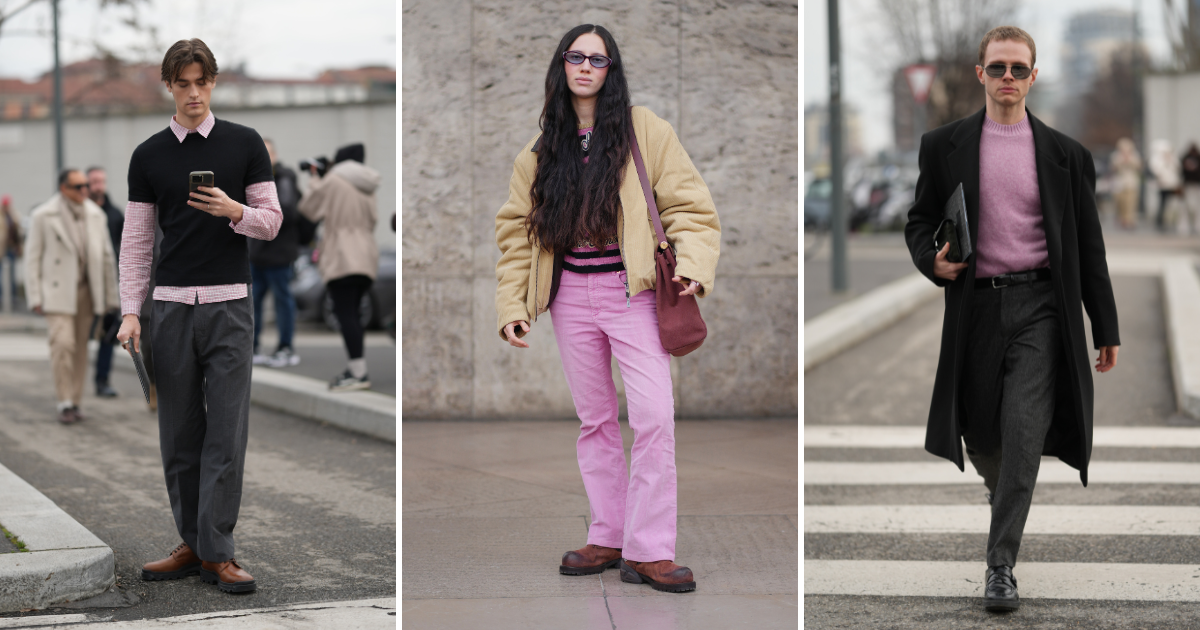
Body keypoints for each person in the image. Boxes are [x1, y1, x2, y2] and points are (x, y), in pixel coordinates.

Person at [494, 25, 720, 593]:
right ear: (562, 66)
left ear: (611, 69)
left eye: (598, 58)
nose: (586, 66)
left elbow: (690, 205)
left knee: (652, 419)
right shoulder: (543, 147)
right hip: (571, 298)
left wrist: (693, 263)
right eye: (576, 57)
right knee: (595, 421)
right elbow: (516, 233)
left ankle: (649, 550)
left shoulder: (646, 130)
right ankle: (609, 533)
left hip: (633, 295)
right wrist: (514, 304)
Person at [904, 26, 1120, 612]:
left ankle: (1000, 566)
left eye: (1018, 69)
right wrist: (933, 261)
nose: (1007, 77)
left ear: (1033, 75)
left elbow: (1089, 247)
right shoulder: (942, 144)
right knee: (984, 435)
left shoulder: (1066, 156)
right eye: (997, 67)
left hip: (1042, 309)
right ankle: (1006, 495)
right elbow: (919, 221)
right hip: (975, 307)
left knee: (1025, 433)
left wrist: (1106, 327)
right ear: (980, 74)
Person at [116, 38, 281, 594]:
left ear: (214, 83)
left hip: (230, 305)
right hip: (168, 310)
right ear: (169, 85)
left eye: (201, 82)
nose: (193, 92)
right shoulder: (148, 155)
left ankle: (219, 551)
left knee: (226, 435)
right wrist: (129, 313)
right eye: (182, 83)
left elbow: (273, 221)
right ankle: (193, 544)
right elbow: (137, 242)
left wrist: (235, 211)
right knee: (179, 435)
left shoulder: (244, 143)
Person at [25, 169, 120, 424]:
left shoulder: (95, 214)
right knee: (63, 344)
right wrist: (35, 296)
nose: (84, 190)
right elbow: (31, 258)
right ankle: (64, 401)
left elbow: (107, 258)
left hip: (88, 293)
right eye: (78, 186)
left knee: (79, 348)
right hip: (56, 292)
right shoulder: (43, 215)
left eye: (86, 185)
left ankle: (75, 401)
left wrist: (112, 296)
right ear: (64, 188)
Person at [298, 142, 379, 391]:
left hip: (342, 254)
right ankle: (357, 368)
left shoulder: (333, 180)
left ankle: (358, 372)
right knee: (353, 315)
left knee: (346, 316)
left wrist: (314, 177)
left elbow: (309, 208)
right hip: (366, 254)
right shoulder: (368, 183)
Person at [250, 138, 302, 368]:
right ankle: (252, 347)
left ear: (275, 155)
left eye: (268, 152)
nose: (265, 156)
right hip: (256, 253)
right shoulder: (251, 179)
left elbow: (288, 212)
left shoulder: (284, 178)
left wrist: (260, 213)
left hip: (279, 254)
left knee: (283, 302)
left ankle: (285, 347)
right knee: (254, 304)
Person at [87, 167, 124, 398]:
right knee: (80, 336)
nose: (98, 186)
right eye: (94, 182)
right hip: (84, 285)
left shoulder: (116, 214)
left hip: (109, 284)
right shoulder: (81, 213)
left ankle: (102, 381)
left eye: (101, 181)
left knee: (109, 335)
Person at [1149, 139, 1182, 232]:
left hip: (1172, 185)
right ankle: (1160, 221)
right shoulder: (1157, 160)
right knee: (1162, 204)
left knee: (1172, 204)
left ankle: (1171, 220)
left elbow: (1177, 169)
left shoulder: (1173, 159)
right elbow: (1156, 170)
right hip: (1162, 185)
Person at [1110, 138, 1141, 230]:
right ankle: (1122, 219)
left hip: (1131, 183)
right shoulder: (1115, 156)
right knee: (1121, 203)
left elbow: (1139, 167)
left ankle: (1129, 220)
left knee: (1131, 203)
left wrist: (1130, 160)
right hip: (1119, 184)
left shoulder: (1135, 156)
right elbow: (1113, 168)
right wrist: (1121, 161)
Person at [1, 194, 22, 310]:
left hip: (11, 248)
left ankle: (12, 298)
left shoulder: (13, 215)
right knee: (1, 275)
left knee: (12, 274)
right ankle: (2, 298)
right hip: (2, 249)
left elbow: (18, 232)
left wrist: (19, 246)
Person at [1180, 143, 1200, 236]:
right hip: (1187, 184)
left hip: (1197, 185)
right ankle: (1184, 227)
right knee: (1186, 206)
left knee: (1197, 207)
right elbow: (1181, 171)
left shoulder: (1198, 157)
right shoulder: (1185, 158)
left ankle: (1197, 225)